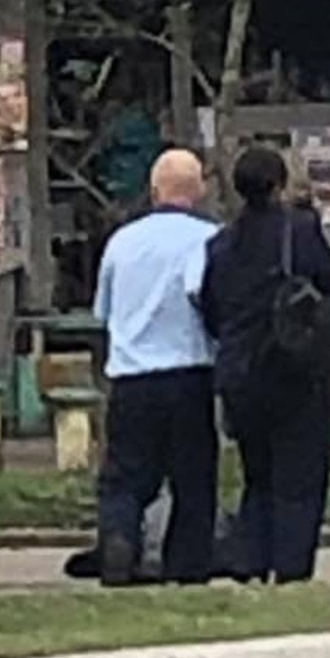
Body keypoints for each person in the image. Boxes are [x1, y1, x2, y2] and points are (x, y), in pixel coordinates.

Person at [193, 146, 330, 583]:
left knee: (258, 473)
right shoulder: (300, 232)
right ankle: (290, 567)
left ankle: (251, 558)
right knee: (299, 477)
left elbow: (211, 309)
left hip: (241, 375)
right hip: (294, 370)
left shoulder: (221, 245)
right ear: (281, 184)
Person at [93, 148, 220, 584]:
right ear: (199, 190)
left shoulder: (122, 242)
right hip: (189, 372)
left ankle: (119, 536)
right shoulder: (210, 239)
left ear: (152, 191)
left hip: (131, 376)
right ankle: (188, 564)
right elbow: (207, 299)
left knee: (124, 474)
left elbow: (104, 312)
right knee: (192, 477)